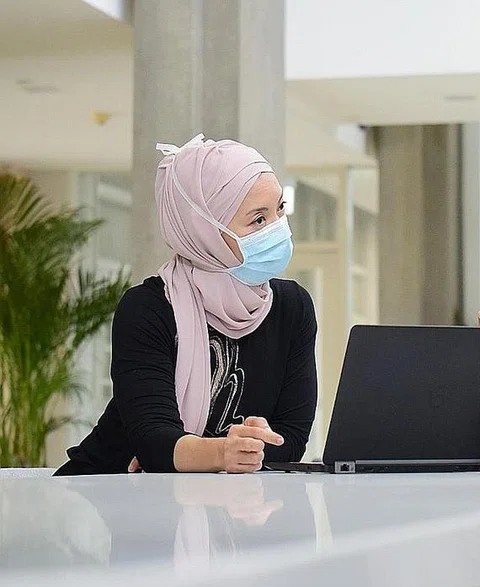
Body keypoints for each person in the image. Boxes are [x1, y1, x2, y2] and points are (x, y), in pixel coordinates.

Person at [55, 134, 317, 475]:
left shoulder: (292, 308)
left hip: (220, 505)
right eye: (258, 220)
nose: (278, 229)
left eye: (280, 209)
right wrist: (221, 452)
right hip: (106, 497)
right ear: (205, 230)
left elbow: (292, 438)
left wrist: (254, 445)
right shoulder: (149, 309)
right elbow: (153, 444)